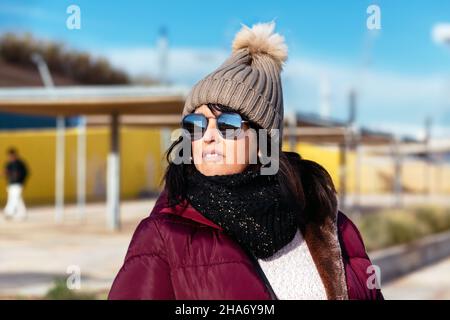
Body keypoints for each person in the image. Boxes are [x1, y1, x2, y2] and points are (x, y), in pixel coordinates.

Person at [108, 22, 383, 300]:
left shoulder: (329, 224)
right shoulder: (162, 236)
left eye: (227, 123)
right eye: (196, 123)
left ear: (264, 142)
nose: (209, 136)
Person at [3, 147, 28, 220]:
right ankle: (23, 213)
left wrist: (21, 181)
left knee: (14, 198)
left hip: (18, 184)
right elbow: (6, 173)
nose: (10, 157)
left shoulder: (20, 163)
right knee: (17, 198)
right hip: (11, 184)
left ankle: (9, 212)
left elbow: (25, 173)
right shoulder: (9, 164)